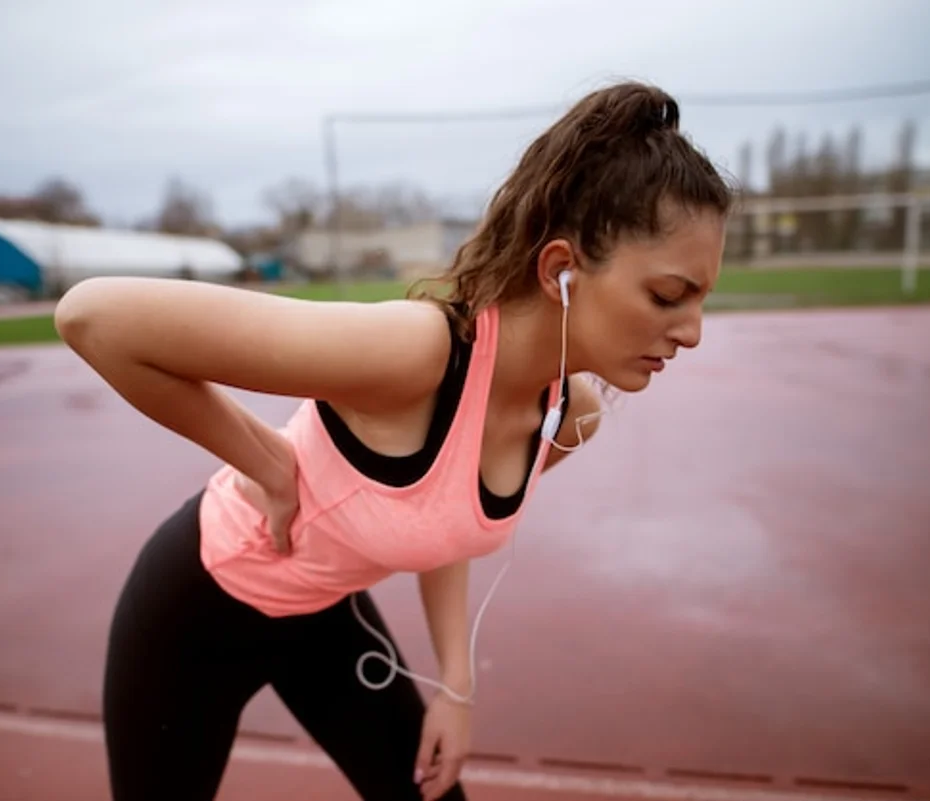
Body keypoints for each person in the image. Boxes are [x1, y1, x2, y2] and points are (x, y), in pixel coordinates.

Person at [54, 79, 733, 801]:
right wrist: (266, 462)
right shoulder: (417, 354)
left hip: (325, 616)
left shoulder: (571, 416)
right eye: (668, 296)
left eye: (701, 299)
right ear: (561, 269)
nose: (692, 331)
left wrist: (455, 685)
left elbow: (444, 523)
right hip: (196, 609)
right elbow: (94, 318)